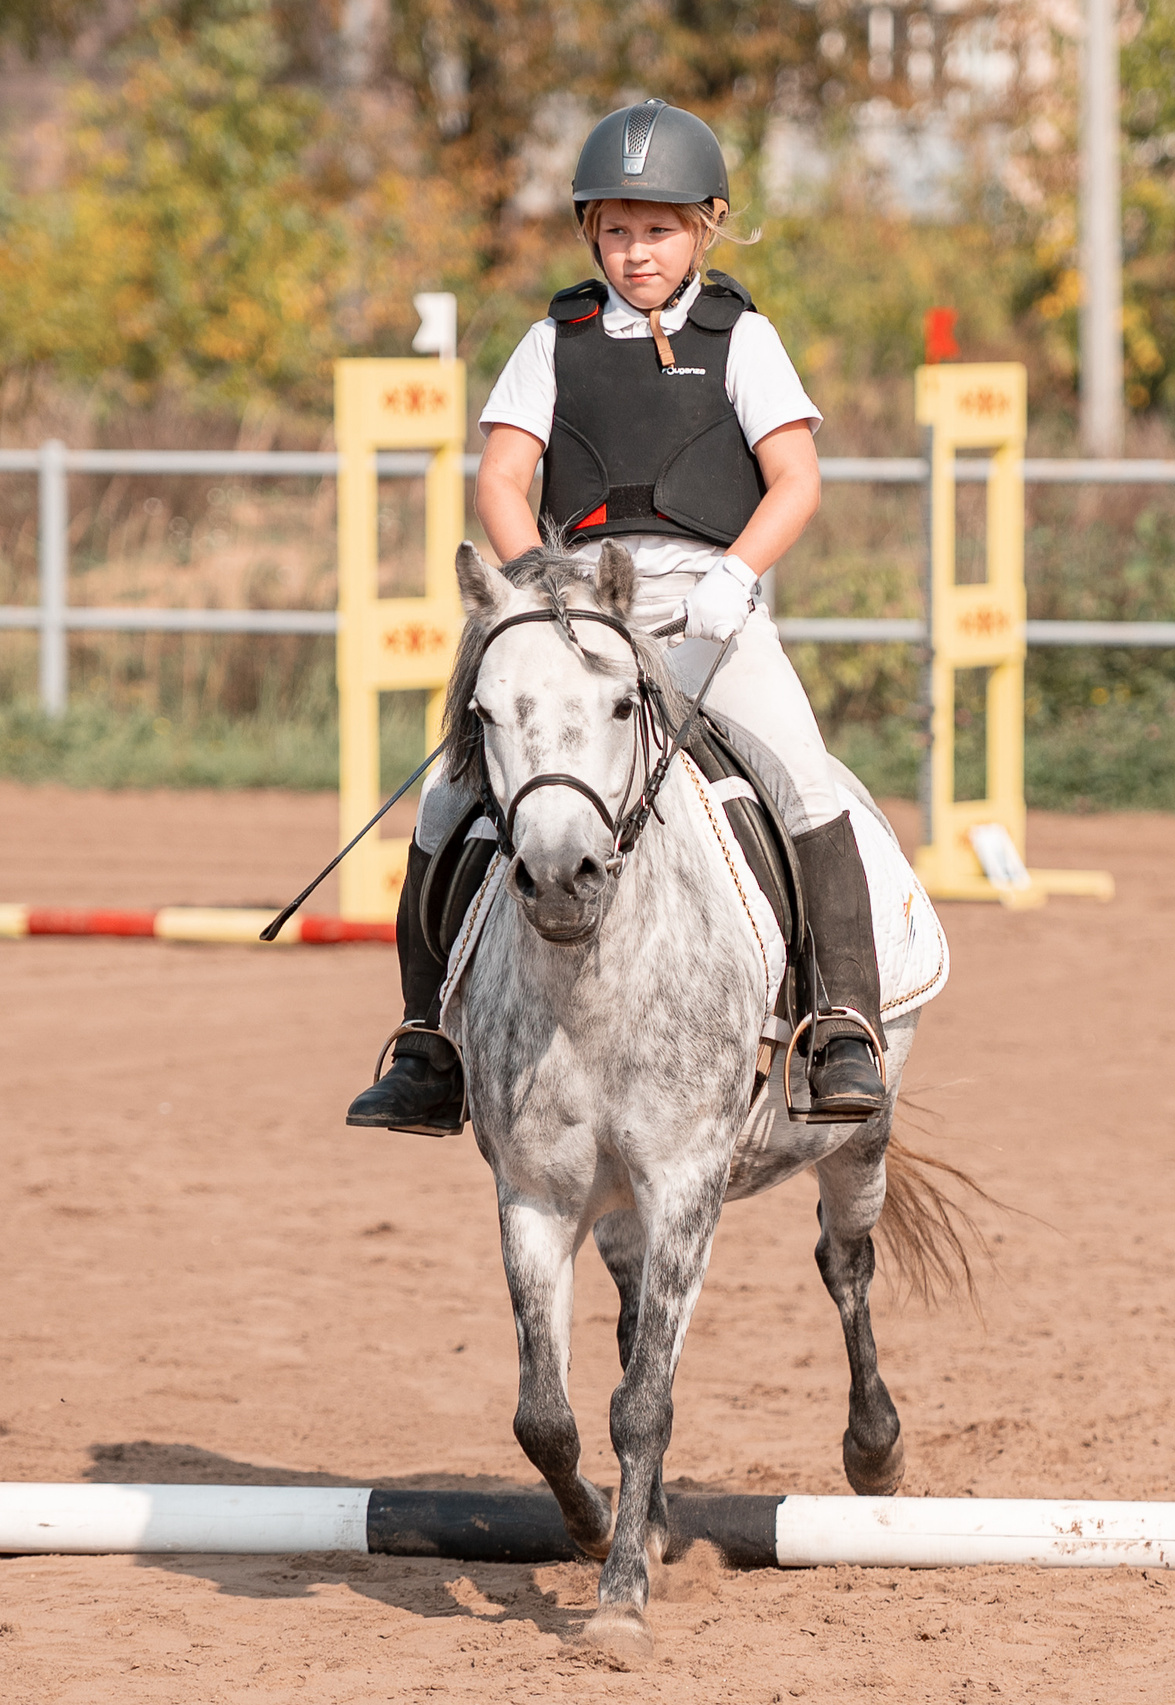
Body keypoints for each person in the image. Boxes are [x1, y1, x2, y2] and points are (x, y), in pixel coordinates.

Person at [346, 97, 887, 1135]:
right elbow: (503, 478)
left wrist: (738, 570)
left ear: (705, 226)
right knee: (449, 798)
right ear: (590, 230)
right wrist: (532, 592)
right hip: (580, 610)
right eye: (618, 228)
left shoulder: (743, 336)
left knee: (802, 778)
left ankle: (841, 1026)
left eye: (660, 228)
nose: (638, 251)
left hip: (705, 604)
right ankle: (426, 1044)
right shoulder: (553, 340)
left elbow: (796, 479)